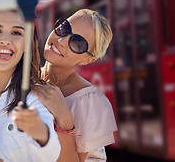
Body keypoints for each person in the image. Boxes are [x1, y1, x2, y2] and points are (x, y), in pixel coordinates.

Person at [0, 5, 61, 162]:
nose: (5, 40)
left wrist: (41, 133)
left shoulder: (33, 100)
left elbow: (50, 154)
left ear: (27, 42)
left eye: (16, 32)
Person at [33, 9, 118, 161]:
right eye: (64, 28)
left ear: (87, 60)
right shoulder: (22, 78)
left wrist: (64, 121)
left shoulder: (89, 103)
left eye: (77, 43)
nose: (62, 40)